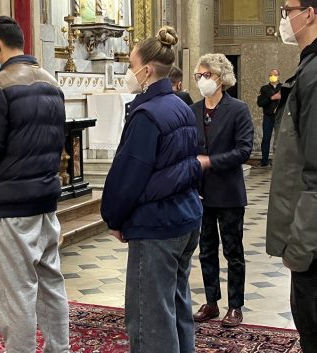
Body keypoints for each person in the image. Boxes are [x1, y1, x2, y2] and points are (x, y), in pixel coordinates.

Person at [0, 16, 69, 353]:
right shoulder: (52, 82)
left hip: (11, 206)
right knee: (51, 284)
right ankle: (59, 348)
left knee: (16, 291)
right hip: (46, 200)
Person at [100, 26, 203, 353]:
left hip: (157, 225)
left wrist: (114, 217)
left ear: (146, 70)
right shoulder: (181, 106)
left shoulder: (147, 113)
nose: (130, 74)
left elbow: (129, 173)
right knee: (176, 307)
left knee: (149, 319)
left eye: (131, 66)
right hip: (185, 217)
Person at [267, 1, 317, 351]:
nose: (284, 19)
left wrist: (299, 246)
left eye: (287, 10)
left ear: (310, 13)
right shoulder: (308, 69)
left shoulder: (314, 75)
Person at [190, 53, 254, 328]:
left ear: (221, 78)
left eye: (207, 75)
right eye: (199, 76)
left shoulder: (237, 109)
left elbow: (244, 150)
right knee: (205, 250)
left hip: (228, 192)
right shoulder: (193, 110)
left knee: (232, 250)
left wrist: (210, 161)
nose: (202, 80)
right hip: (201, 193)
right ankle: (212, 301)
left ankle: (235, 305)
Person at [256, 68, 282, 167]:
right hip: (268, 116)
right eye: (271, 75)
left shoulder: (282, 88)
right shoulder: (264, 88)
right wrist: (271, 98)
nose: (272, 77)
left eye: (274, 75)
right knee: (266, 138)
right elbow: (260, 103)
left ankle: (277, 161)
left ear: (278, 76)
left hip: (279, 116)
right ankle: (264, 161)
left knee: (279, 139)